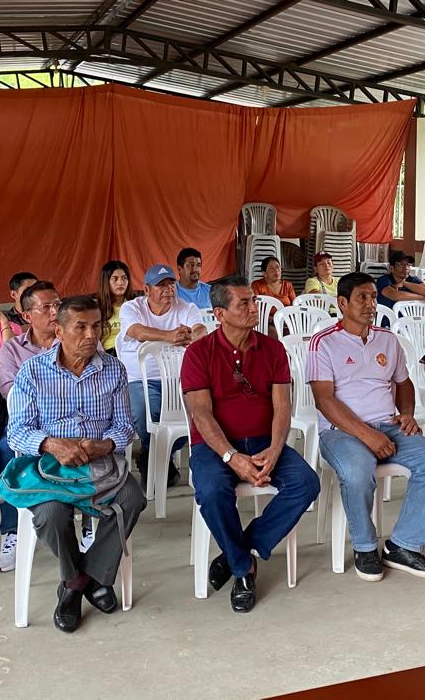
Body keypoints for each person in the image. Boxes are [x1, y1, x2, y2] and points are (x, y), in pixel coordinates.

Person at [181, 276, 321, 612]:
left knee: (306, 483)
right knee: (212, 490)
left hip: (262, 440)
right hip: (215, 446)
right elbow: (201, 414)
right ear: (220, 313)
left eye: (253, 301)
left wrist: (275, 449)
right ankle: (243, 569)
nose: (253, 308)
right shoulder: (198, 353)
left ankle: (239, 549)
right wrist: (231, 457)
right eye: (243, 303)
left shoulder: (272, 349)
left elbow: (282, 407)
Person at [7, 295, 145, 633]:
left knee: (132, 499)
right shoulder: (33, 371)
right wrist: (51, 444)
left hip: (99, 463)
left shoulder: (113, 368)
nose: (91, 335)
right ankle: (78, 581)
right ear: (59, 330)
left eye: (96, 326)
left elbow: (124, 426)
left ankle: (86, 578)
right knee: (52, 515)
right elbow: (17, 431)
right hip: (50, 465)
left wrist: (106, 444)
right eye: (80, 327)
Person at [309, 272, 425, 581]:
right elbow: (324, 401)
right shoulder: (324, 342)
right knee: (357, 471)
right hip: (341, 432)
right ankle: (365, 547)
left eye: (373, 297)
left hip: (388, 426)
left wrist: (407, 414)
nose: (370, 304)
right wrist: (367, 435)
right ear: (342, 303)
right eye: (362, 297)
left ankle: (403, 545)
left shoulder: (388, 339)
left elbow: (404, 382)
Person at [0, 280, 62, 573]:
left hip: (70, 422)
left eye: (58, 304)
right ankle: (12, 531)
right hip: (28, 424)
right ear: (27, 315)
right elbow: (11, 391)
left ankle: (89, 525)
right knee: (5, 452)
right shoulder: (13, 349)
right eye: (47, 306)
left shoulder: (74, 340)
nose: (55, 311)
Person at [117, 263, 206, 486]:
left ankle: (152, 456)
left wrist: (192, 334)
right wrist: (169, 336)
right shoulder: (132, 308)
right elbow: (137, 331)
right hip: (140, 378)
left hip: (178, 378)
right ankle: (158, 457)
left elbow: (200, 330)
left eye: (171, 284)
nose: (168, 290)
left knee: (198, 415)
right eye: (161, 285)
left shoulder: (186, 307)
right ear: (147, 290)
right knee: (144, 414)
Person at [97, 260, 140, 354]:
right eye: (115, 279)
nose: (120, 283)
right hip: (108, 353)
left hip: (133, 351)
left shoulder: (137, 303)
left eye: (124, 278)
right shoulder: (96, 306)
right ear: (106, 281)